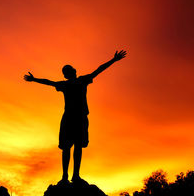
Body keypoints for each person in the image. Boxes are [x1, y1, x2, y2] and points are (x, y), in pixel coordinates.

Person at [24, 50, 127, 184]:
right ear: (72, 72)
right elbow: (98, 70)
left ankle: (71, 176)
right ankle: (69, 176)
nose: (71, 71)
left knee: (74, 146)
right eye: (69, 70)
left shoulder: (71, 83)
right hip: (74, 118)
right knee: (71, 147)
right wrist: (113, 60)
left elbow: (49, 82)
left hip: (76, 118)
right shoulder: (78, 81)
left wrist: (34, 79)